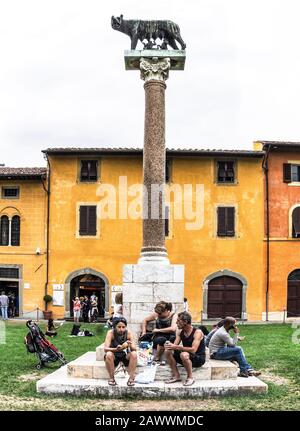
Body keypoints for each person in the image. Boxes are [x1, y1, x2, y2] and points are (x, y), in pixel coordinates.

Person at [164, 311, 206, 386]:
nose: (176, 323)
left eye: (178, 321)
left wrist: (175, 347)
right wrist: (169, 345)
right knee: (167, 351)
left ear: (185, 321)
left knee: (184, 354)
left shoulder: (197, 332)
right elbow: (174, 345)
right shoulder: (180, 332)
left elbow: (193, 350)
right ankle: (176, 376)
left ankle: (190, 378)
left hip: (198, 358)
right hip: (187, 356)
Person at [104, 317, 137, 386]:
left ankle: (131, 378)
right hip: (114, 355)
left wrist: (129, 344)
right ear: (115, 327)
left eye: (123, 327)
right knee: (109, 354)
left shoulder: (128, 333)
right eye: (119, 327)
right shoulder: (110, 333)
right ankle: (111, 378)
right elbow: (106, 349)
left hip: (124, 355)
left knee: (134, 354)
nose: (121, 329)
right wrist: (116, 349)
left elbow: (134, 349)